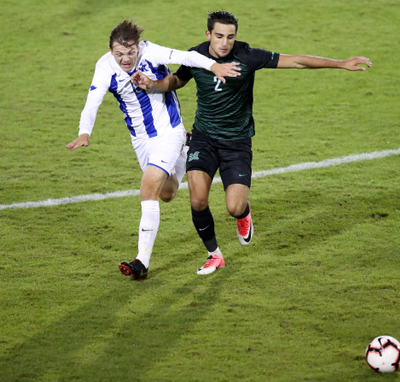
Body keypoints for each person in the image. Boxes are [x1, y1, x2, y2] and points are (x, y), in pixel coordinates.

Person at [131, 11, 372, 275]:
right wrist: (153, 85)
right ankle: (214, 254)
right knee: (198, 200)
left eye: (230, 37)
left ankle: (244, 213)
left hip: (237, 143)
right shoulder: (196, 56)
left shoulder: (247, 56)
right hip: (203, 138)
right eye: (219, 36)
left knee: (233, 206)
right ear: (208, 34)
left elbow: (296, 62)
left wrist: (340, 63)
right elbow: (177, 80)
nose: (225, 43)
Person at [66, 20, 240, 280]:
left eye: (130, 52)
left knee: (147, 188)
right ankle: (185, 151)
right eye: (119, 54)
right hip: (141, 140)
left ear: (138, 47)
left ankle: (141, 262)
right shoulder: (104, 67)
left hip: (169, 133)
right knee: (167, 193)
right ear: (111, 51)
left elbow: (188, 57)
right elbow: (92, 102)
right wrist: (84, 132)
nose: (125, 59)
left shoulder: (151, 52)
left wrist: (214, 66)